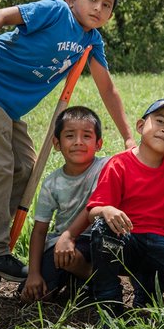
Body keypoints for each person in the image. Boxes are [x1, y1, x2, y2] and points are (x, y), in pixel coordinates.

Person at [0, 0, 135, 283]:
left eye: (107, 5)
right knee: (0, 167)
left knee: (26, 169)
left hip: (9, 107)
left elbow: (107, 88)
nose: (98, 8)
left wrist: (129, 137)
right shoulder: (55, 11)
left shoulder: (91, 41)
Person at [85, 99, 164, 309]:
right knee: (102, 229)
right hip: (126, 239)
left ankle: (148, 288)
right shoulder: (119, 164)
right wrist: (106, 209)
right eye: (160, 121)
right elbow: (93, 211)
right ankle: (109, 303)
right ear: (140, 125)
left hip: (161, 242)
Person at [19, 106, 110, 303]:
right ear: (56, 143)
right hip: (61, 245)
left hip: (98, 240)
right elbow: (39, 231)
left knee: (72, 257)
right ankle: (74, 281)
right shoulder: (52, 183)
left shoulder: (106, 167)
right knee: (34, 297)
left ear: (98, 144)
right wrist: (34, 273)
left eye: (87, 136)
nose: (78, 142)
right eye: (70, 135)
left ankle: (91, 278)